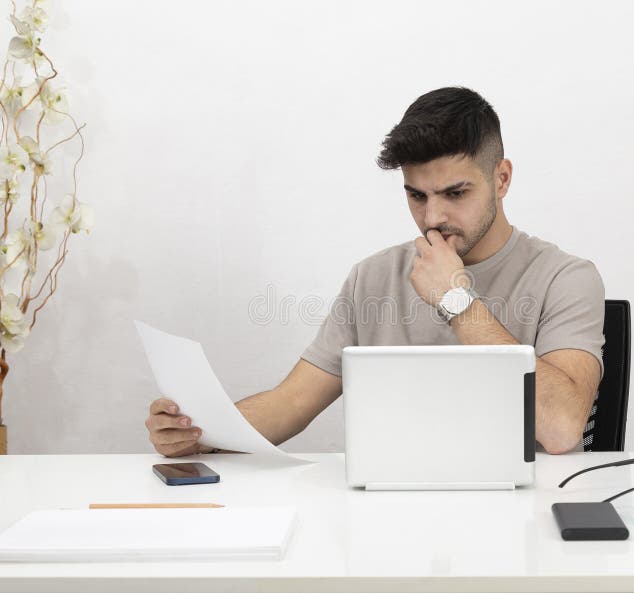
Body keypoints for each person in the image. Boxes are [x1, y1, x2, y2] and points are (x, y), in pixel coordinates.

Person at [145, 87, 605, 456]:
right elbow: (292, 403)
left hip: (520, 520)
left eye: (455, 193)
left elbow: (562, 429)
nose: (432, 218)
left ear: (501, 179)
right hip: (389, 513)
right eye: (417, 196)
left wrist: (456, 302)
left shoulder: (565, 279)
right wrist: (200, 432)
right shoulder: (373, 277)